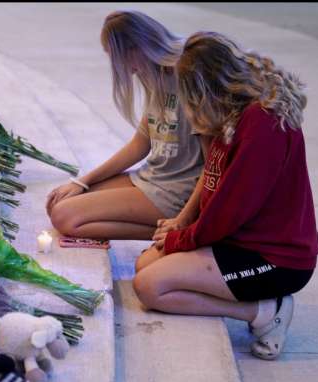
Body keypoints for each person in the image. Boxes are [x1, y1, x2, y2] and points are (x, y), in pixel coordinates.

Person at [133, 31, 318, 360]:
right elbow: (212, 178)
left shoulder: (262, 124)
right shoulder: (234, 113)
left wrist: (182, 239)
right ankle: (256, 304)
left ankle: (265, 311)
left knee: (150, 287)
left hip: (274, 259)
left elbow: (231, 210)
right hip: (239, 242)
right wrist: (182, 225)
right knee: (145, 264)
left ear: (204, 88)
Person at [46, 10, 208, 240]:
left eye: (116, 56)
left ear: (136, 48)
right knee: (61, 201)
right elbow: (140, 144)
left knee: (64, 216)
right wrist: (82, 181)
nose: (117, 66)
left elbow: (212, 162)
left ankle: (177, 232)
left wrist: (185, 217)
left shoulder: (188, 77)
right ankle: (170, 229)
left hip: (176, 191)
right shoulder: (152, 74)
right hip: (153, 176)